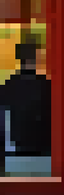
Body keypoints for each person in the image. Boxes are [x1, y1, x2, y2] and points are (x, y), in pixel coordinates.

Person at [0, 42, 49, 176]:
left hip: (15, 150)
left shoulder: (7, 85)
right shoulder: (47, 86)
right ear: (37, 58)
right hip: (45, 150)